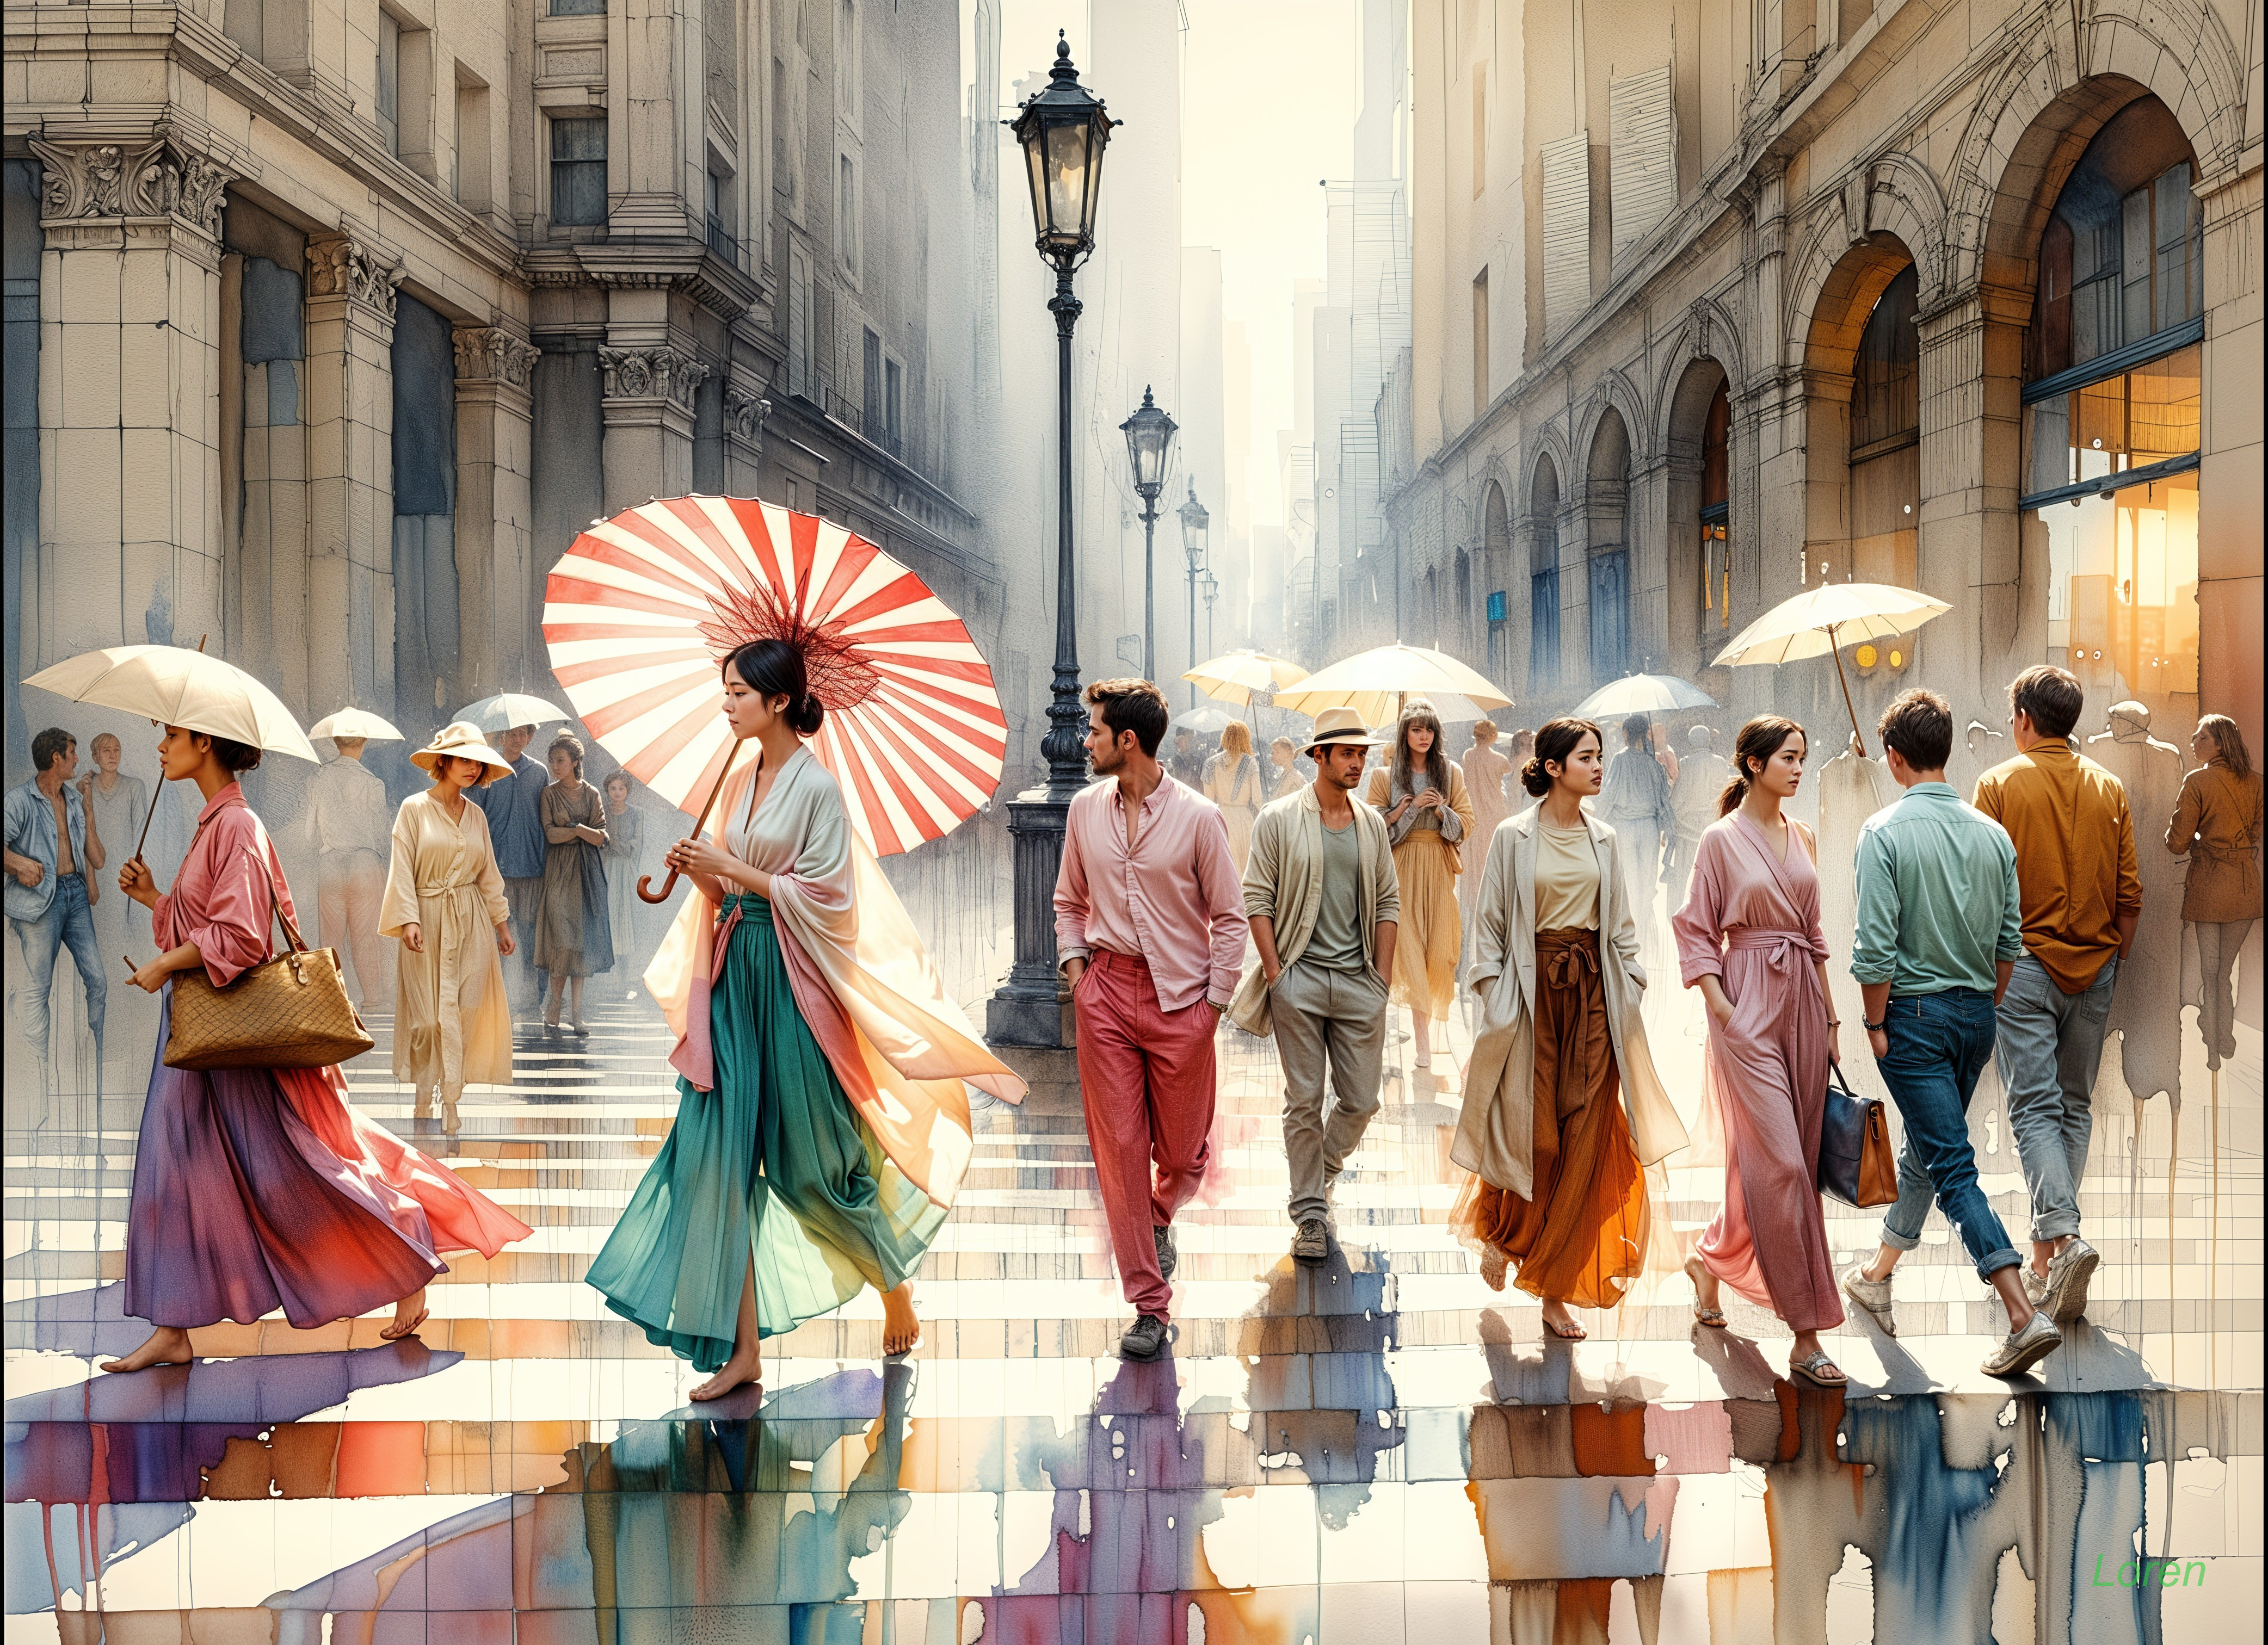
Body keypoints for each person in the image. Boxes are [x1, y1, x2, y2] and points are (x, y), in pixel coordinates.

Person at [588, 638, 1022, 1399]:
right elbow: (729, 894)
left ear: (779, 700)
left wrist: (733, 870)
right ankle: (744, 1350)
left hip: (793, 983)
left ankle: (890, 1282)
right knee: (714, 1164)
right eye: (723, 692)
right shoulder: (738, 780)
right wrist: (705, 878)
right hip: (735, 979)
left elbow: (830, 901)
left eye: (736, 693)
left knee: (808, 1168)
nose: (725, 704)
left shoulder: (819, 789)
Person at [101, 722, 530, 1375]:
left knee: (294, 1169)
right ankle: (172, 1327)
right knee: (179, 1171)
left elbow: (242, 939)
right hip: (202, 1033)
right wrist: (155, 897)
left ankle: (405, 1253)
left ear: (207, 746)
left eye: (173, 736)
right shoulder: (215, 825)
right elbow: (210, 923)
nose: (160, 747)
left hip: (230, 1037)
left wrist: (165, 965)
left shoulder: (237, 828)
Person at [1839, 690, 2058, 1378]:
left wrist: (1875, 1024)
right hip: (1974, 1016)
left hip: (1913, 1019)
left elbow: (1873, 950)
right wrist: (1982, 1006)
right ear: (1947, 751)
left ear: (1894, 757)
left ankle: (2021, 1314)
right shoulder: (1991, 834)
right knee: (1930, 1150)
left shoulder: (1882, 833)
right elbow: (2008, 940)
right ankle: (1877, 1274)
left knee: (1952, 1163)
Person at [1450, 719, 1686, 1340]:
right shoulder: (1511, 836)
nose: (1598, 766)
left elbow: (1623, 928)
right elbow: (1490, 924)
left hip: (1593, 1002)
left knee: (1585, 1138)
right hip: (1531, 1002)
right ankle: (1503, 1232)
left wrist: (1628, 981)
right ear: (1552, 767)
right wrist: (1492, 998)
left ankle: (1554, 1288)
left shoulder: (1605, 839)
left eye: (1599, 757)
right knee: (1537, 1138)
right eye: (1587, 757)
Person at [1055, 677, 1247, 1363]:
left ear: (1126, 741)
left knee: (1183, 1153)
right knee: (1120, 1155)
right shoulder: (1083, 811)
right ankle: (1149, 1304)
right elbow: (1068, 902)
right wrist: (1077, 975)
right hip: (1105, 996)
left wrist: (1211, 1009)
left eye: (1095, 730)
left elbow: (1229, 919)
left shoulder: (1198, 818)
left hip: (1181, 1004)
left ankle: (1160, 1213)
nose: (1085, 740)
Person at [1672, 717, 1846, 1386]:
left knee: (1787, 1159)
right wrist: (1722, 1008)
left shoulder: (1799, 834)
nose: (1799, 769)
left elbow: (1815, 933)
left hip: (1802, 1004)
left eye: (1803, 757)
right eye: (1787, 759)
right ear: (1751, 765)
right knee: (1784, 1169)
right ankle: (1805, 1335)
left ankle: (1709, 1259)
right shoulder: (1718, 840)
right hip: (1745, 1005)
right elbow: (1695, 929)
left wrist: (1829, 1016)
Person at [1970, 665, 2137, 1326]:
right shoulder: (2108, 786)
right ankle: (2046, 1261)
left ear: (2023, 719)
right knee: (2074, 1108)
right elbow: (2130, 894)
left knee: (2033, 1109)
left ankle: (2063, 1239)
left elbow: (1979, 889)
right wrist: (2110, 958)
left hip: (2025, 967)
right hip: (2095, 966)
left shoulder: (1998, 784)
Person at [1229, 707, 1400, 1265]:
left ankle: (1318, 1176)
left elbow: (1388, 902)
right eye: (1347, 753)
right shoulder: (1278, 819)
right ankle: (1308, 1213)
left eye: (1362, 754)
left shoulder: (1371, 824)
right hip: (1298, 980)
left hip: (1358, 983)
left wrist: (1382, 977)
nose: (1358, 762)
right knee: (1302, 1100)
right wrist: (1277, 974)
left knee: (1361, 1099)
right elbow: (1255, 898)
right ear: (1318, 756)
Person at [380, 723, 517, 1136]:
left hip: (470, 920)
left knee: (462, 1011)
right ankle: (425, 1092)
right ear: (443, 761)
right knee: (426, 1020)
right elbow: (401, 867)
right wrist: (408, 918)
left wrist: (502, 924)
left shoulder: (476, 815)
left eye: (477, 762)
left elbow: (488, 874)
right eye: (464, 759)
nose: (472, 769)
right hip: (425, 917)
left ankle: (452, 1102)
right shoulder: (413, 809)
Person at [1364, 700, 1475, 1079]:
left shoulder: (1452, 772)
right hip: (1400, 868)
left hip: (1440, 869)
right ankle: (1420, 1040)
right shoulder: (1383, 776)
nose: (1423, 736)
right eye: (1415, 729)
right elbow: (1372, 826)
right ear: (1404, 733)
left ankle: (1427, 1032)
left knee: (1438, 950)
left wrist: (1442, 811)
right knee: (1406, 948)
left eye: (1428, 729)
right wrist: (1407, 811)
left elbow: (1468, 824)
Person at [4, 727, 106, 1072]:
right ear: (56, 758)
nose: (78, 760)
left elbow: (98, 858)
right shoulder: (19, 800)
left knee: (98, 981)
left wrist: (89, 810)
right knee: (38, 990)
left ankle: (97, 1058)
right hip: (37, 902)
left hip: (74, 895)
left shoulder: (75, 800)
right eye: (72, 753)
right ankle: (38, 1070)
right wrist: (18, 863)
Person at [2168, 715, 2261, 1072]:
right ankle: (2223, 1036)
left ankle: (2213, 1038)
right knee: (2226, 969)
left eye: (2201, 736)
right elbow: (2254, 833)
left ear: (2220, 743)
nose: (2194, 740)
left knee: (2211, 970)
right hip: (2244, 886)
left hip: (2209, 884)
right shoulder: (2257, 784)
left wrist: (2197, 840)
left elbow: (2176, 842)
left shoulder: (2197, 781)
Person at [303, 733, 395, 1012]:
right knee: (366, 936)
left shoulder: (318, 778)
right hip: (365, 864)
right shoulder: (373, 784)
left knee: (330, 938)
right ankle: (372, 999)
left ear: (336, 742)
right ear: (364, 742)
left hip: (330, 862)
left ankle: (331, 1001)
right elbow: (381, 834)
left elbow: (309, 832)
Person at [534, 733, 614, 1035]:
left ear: (576, 762)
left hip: (586, 874)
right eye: (553, 761)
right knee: (562, 940)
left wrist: (577, 828)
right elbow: (551, 834)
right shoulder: (549, 794)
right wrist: (581, 833)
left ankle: (577, 1014)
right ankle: (555, 1004)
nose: (555, 766)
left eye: (561, 761)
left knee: (579, 942)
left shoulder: (592, 793)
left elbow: (602, 836)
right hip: (558, 873)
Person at [467, 722, 549, 1016]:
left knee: (528, 935)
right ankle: (495, 997)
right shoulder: (484, 769)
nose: (518, 739)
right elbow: (473, 818)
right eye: (512, 733)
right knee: (494, 936)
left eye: (523, 734)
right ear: (501, 736)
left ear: (530, 738)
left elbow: (545, 818)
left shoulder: (539, 772)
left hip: (530, 866)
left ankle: (531, 999)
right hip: (494, 868)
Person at [1596, 713, 1676, 975]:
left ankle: (1631, 942)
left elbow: (1608, 796)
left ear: (1626, 735)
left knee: (1629, 882)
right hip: (1649, 828)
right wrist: (1668, 828)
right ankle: (1642, 934)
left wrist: (1596, 823)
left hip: (1626, 828)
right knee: (1646, 883)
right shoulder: (1653, 765)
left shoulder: (1619, 761)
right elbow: (1664, 799)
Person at [601, 770, 650, 996]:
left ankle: (627, 977)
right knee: (609, 917)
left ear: (627, 791)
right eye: (613, 789)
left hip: (628, 870)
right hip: (608, 867)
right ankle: (608, 980)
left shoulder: (637, 814)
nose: (617, 793)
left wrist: (618, 844)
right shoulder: (602, 812)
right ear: (608, 791)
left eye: (621, 788)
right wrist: (610, 845)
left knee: (627, 919)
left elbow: (636, 844)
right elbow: (601, 841)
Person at [1461, 720, 1514, 919]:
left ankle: (1474, 906)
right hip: (1495, 812)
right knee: (1493, 860)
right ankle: (1493, 907)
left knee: (1474, 863)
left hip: (1474, 813)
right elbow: (1509, 770)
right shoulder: (1500, 759)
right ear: (1492, 736)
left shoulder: (1468, 756)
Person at [1665, 725, 1720, 906]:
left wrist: (1668, 823)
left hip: (1687, 830)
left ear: (1690, 742)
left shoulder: (1686, 763)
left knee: (1687, 876)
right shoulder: (1720, 763)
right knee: (1712, 875)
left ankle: (1689, 910)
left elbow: (1679, 798)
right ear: (1709, 740)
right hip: (1714, 827)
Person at [1202, 721, 1266, 873]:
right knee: (1245, 868)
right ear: (1246, 738)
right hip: (1244, 820)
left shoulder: (1211, 763)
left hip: (1221, 818)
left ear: (1225, 738)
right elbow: (1257, 800)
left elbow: (1208, 801)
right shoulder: (1250, 762)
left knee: (1224, 869)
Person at [1265, 735, 1301, 801]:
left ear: (1287, 753)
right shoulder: (1283, 774)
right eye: (1273, 752)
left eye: (1277, 752)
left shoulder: (1296, 778)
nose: (1272, 755)